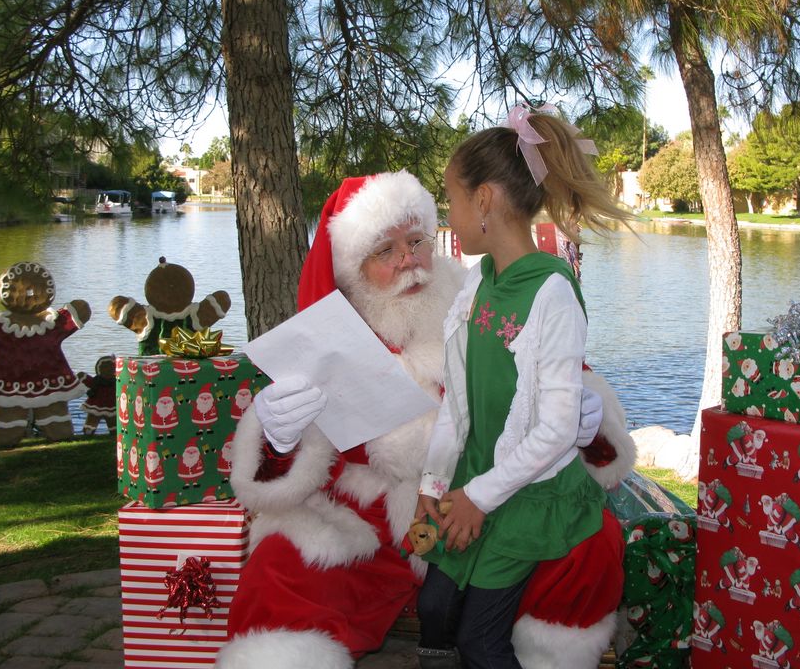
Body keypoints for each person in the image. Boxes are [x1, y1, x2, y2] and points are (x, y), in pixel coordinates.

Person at [217, 170, 635, 669]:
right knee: (282, 567)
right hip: (370, 514)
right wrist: (278, 436)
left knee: (587, 544)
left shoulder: (479, 293)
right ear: (352, 267)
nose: (409, 262)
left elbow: (565, 379)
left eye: (416, 241)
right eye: (385, 252)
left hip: (484, 497)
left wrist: (588, 426)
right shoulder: (325, 336)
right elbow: (292, 473)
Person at [413, 105, 635, 668]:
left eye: (453, 199)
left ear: (484, 200)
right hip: (477, 481)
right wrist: (435, 483)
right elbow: (457, 405)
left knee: (479, 641)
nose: (450, 212)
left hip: (526, 491)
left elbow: (559, 429)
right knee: (434, 606)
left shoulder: (551, 294)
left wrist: (479, 497)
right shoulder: (480, 284)